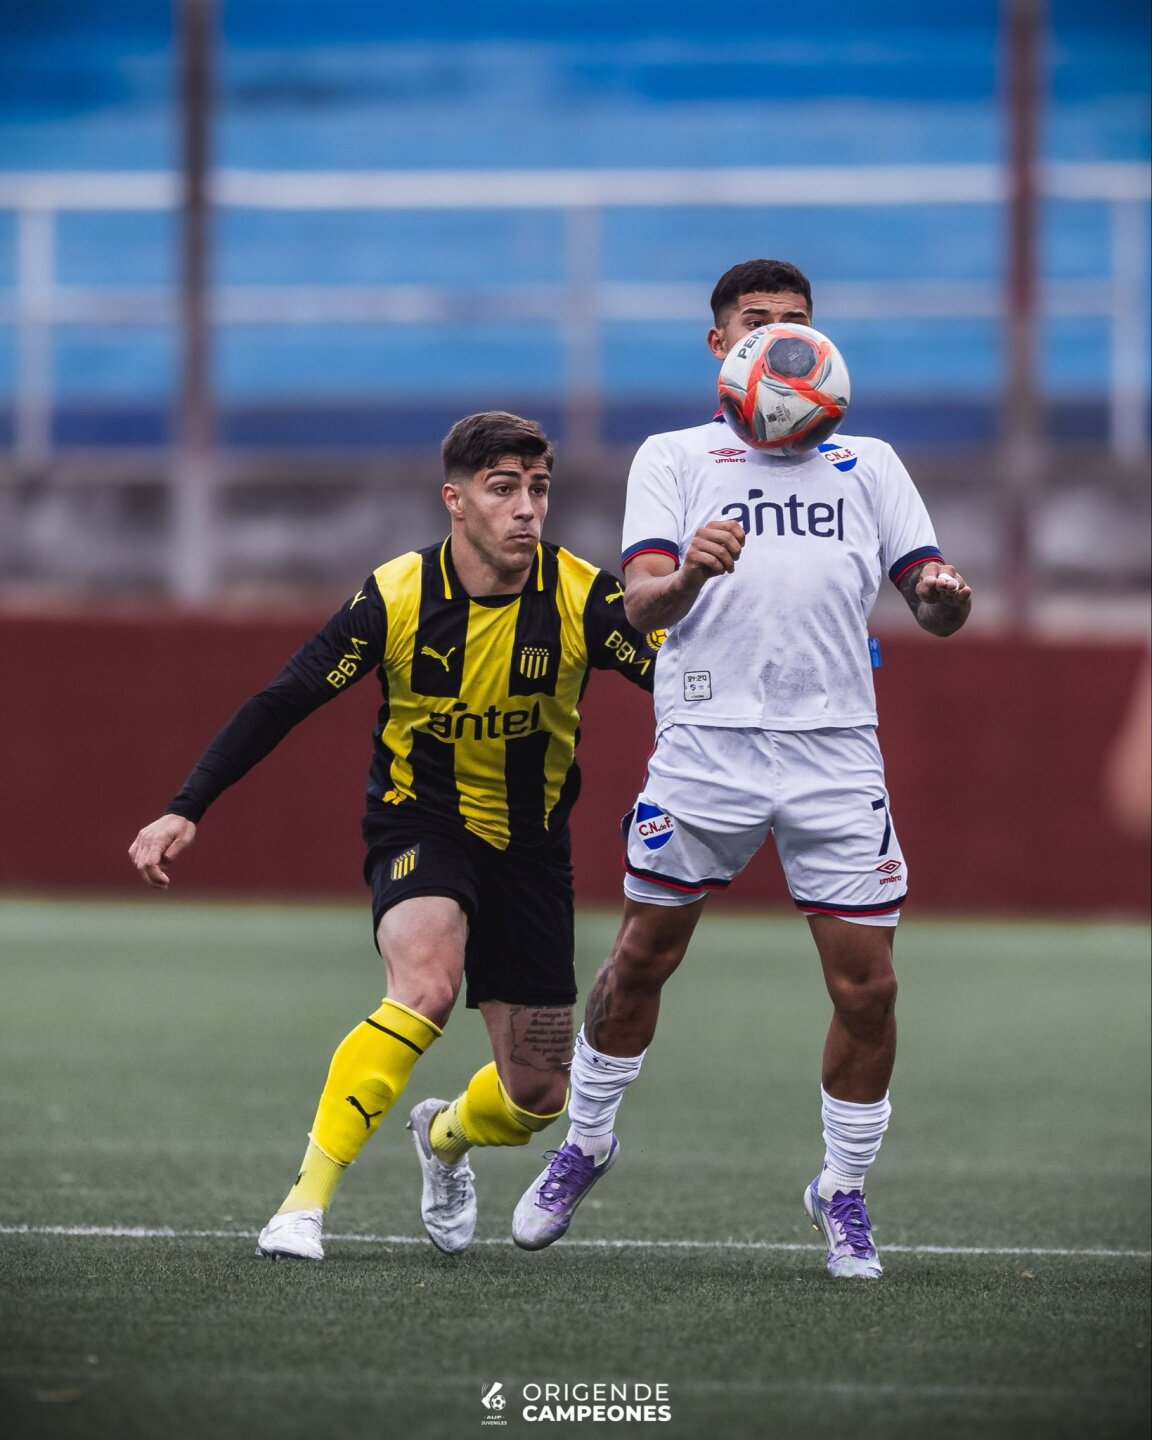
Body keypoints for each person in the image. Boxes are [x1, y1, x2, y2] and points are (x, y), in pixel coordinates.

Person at [512, 260, 973, 1278]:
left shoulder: (873, 464)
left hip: (834, 753)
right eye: (756, 323)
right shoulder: (676, 458)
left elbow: (929, 600)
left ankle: (842, 1190)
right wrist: (690, 572)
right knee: (641, 958)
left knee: (870, 991)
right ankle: (586, 1143)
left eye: (796, 323)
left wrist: (943, 593)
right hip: (707, 749)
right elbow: (636, 607)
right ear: (720, 346)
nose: (778, 337)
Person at [129, 411, 657, 1261]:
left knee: (537, 1099)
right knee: (426, 986)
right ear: (454, 500)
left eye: (539, 489)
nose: (527, 508)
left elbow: (685, 680)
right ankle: (303, 1204)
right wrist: (187, 804)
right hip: (423, 822)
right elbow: (284, 698)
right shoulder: (398, 596)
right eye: (503, 489)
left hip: (532, 851)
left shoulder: (581, 597)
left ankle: (444, 1137)